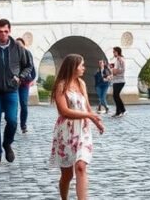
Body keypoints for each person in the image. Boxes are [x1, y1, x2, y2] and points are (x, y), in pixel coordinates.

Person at [49, 54, 105, 200]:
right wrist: (89, 115)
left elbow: (87, 107)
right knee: (67, 175)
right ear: (73, 67)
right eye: (81, 65)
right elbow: (64, 111)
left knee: (80, 166)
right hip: (66, 132)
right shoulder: (61, 85)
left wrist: (96, 121)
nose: (84, 68)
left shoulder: (81, 84)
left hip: (83, 131)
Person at [0, 18, 32, 165]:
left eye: (6, 31)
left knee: (13, 121)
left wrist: (20, 77)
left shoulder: (18, 48)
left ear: (10, 31)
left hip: (11, 90)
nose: (3, 34)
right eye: (0, 31)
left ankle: (7, 143)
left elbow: (28, 66)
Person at [15, 37, 36, 134]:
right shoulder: (12, 54)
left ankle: (23, 125)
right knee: (13, 104)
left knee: (24, 104)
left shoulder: (27, 53)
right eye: (16, 45)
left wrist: (31, 79)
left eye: (20, 45)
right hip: (13, 83)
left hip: (24, 83)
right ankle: (12, 123)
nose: (18, 47)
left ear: (24, 45)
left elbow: (32, 69)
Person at [110, 46, 127, 117]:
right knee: (115, 96)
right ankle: (118, 111)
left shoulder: (120, 59)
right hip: (115, 81)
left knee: (115, 95)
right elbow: (114, 69)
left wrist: (113, 71)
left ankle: (123, 110)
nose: (113, 53)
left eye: (114, 51)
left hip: (120, 81)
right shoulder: (116, 59)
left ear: (117, 52)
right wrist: (111, 69)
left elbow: (121, 70)